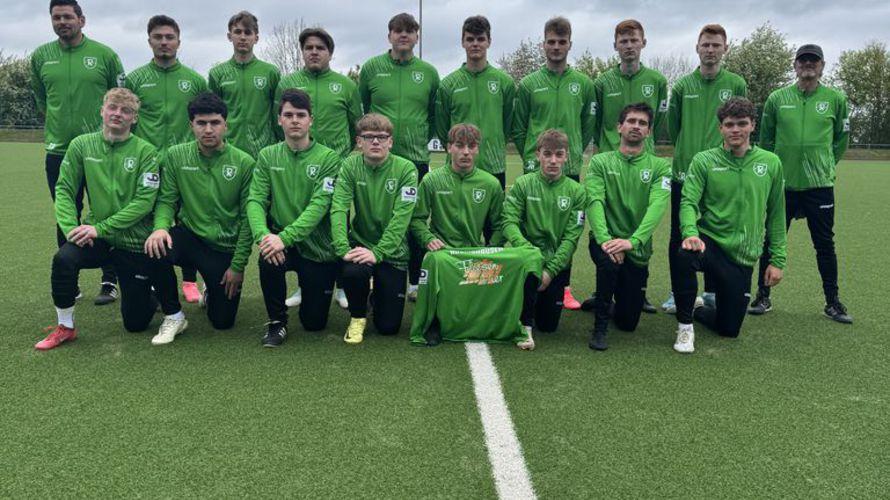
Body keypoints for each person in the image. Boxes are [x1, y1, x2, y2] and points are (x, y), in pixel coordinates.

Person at [35, 88, 181, 350]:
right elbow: (65, 189)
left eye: (126, 110)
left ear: (134, 118)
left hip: (132, 241)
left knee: (135, 324)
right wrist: (71, 229)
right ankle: (65, 326)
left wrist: (99, 228)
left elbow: (144, 202)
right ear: (102, 110)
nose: (118, 114)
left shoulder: (146, 152)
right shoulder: (81, 145)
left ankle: (147, 293)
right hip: (97, 238)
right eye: (113, 107)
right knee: (64, 259)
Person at [672, 97, 787, 354]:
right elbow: (688, 201)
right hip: (710, 242)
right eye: (729, 124)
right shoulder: (704, 160)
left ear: (753, 125)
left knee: (729, 329)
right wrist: (690, 232)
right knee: (684, 254)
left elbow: (777, 214)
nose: (735, 130)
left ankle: (697, 309)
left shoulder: (771, 163)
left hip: (742, 255)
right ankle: (685, 327)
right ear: (720, 128)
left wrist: (777, 260)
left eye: (742, 124)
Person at [31, 0, 124, 305]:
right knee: (66, 213)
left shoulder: (105, 55)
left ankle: (109, 281)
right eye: (56, 17)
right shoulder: (41, 56)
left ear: (82, 20)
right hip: (59, 150)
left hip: (100, 149)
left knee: (107, 211)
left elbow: (120, 98)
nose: (62, 22)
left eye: (68, 16)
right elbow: (42, 100)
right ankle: (70, 282)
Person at [752, 44, 852, 323]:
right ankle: (762, 296)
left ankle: (832, 302)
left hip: (819, 186)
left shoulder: (835, 99)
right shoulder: (777, 98)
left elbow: (841, 139)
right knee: (771, 241)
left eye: (813, 60)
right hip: (782, 185)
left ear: (822, 65)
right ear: (795, 65)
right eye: (803, 60)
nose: (808, 64)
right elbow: (766, 139)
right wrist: (772, 171)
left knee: (824, 245)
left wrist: (826, 164)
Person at [144, 93, 255, 344]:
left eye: (215, 123)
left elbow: (248, 219)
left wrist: (237, 265)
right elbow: (166, 200)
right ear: (191, 125)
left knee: (223, 322)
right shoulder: (176, 156)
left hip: (223, 247)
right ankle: (174, 315)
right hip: (189, 238)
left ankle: (211, 291)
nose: (208, 129)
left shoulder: (244, 162)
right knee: (155, 247)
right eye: (201, 123)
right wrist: (160, 228)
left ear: (226, 125)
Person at [660, 24, 747, 314]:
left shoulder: (736, 84)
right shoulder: (683, 86)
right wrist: (688, 151)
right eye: (706, 45)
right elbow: (674, 127)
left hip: (721, 173)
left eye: (716, 45)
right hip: (684, 173)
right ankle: (677, 293)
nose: (710, 50)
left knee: (715, 232)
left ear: (725, 48)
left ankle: (711, 292)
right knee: (678, 235)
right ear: (697, 48)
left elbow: (739, 125)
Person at [246, 89, 343, 348]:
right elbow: (255, 200)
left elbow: (319, 205)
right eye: (288, 115)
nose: (295, 120)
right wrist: (264, 236)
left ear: (311, 120)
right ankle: (277, 322)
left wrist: (284, 238)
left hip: (317, 247)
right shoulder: (267, 155)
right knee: (268, 257)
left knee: (314, 324)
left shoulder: (329, 158)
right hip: (281, 242)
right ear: (279, 120)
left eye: (301, 115)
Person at [275, 26, 362, 310]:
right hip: (300, 165)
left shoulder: (346, 85)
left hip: (336, 168)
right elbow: (278, 123)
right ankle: (305, 284)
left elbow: (356, 125)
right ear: (302, 52)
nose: (314, 52)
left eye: (320, 48)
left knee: (338, 224)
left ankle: (341, 286)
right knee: (304, 221)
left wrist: (342, 158)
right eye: (309, 47)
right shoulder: (288, 83)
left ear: (330, 53)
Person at [512, 16, 594, 310]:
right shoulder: (529, 84)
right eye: (551, 42)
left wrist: (573, 153)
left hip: (568, 170)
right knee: (529, 226)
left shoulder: (584, 84)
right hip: (535, 169)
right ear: (543, 45)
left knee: (565, 231)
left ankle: (564, 287)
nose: (556, 47)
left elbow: (587, 126)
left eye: (562, 42)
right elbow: (519, 126)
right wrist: (531, 156)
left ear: (570, 44)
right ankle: (527, 279)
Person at [126, 15, 208, 303]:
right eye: (158, 37)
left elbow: (204, 120)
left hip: (185, 164)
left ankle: (189, 280)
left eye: (169, 37)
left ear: (178, 42)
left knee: (188, 222)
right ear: (149, 41)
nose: (164, 42)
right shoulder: (135, 79)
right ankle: (152, 280)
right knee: (149, 221)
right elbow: (128, 121)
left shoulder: (195, 80)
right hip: (147, 164)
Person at [358, 12, 439, 302]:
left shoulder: (429, 72)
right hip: (380, 161)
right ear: (389, 35)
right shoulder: (371, 68)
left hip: (415, 159)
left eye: (409, 30)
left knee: (414, 220)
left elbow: (434, 114)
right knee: (378, 218)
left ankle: (415, 280)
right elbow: (365, 108)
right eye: (397, 30)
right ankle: (374, 275)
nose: (403, 35)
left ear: (417, 36)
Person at [590, 19, 668, 314]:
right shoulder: (602, 83)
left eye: (634, 40)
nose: (629, 46)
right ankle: (603, 291)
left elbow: (661, 119)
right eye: (623, 41)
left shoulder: (657, 80)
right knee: (606, 219)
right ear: (615, 46)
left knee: (640, 216)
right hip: (610, 163)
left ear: (643, 43)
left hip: (643, 164)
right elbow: (596, 122)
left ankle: (639, 291)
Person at [585, 103, 671, 351]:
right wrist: (605, 240)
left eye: (642, 123)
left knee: (628, 323)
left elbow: (657, 207)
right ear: (619, 127)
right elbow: (595, 202)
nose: (636, 126)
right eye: (631, 121)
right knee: (609, 263)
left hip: (637, 248)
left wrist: (632, 242)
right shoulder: (600, 162)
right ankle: (600, 326)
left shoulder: (661, 167)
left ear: (649, 132)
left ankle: (605, 302)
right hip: (605, 242)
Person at [331, 113, 418, 345]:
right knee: (353, 272)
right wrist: (342, 248)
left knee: (388, 327)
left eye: (382, 137)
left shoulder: (406, 169)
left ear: (391, 142)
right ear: (359, 142)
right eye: (369, 137)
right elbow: (339, 207)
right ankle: (358, 316)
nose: (376, 141)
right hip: (361, 244)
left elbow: (402, 218)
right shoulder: (350, 165)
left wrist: (378, 252)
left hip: (393, 252)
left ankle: (374, 296)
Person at [502, 129, 587, 350]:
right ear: (537, 154)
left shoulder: (577, 192)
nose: (553, 160)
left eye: (559, 154)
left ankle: (533, 308)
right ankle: (524, 326)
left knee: (549, 326)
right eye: (547, 154)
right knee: (524, 311)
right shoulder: (523, 184)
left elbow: (571, 238)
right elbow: (509, 222)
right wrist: (529, 253)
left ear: (566, 156)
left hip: (554, 267)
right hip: (527, 261)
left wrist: (550, 271)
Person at [435, 16, 515, 189]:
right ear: (463, 42)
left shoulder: (505, 82)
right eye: (470, 39)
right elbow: (442, 128)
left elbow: (508, 124)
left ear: (489, 42)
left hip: (493, 166)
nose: (475, 44)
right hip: (458, 169)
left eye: (480, 39)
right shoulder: (448, 84)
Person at [410, 123, 504, 252]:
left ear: (477, 149)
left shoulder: (491, 183)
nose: (466, 152)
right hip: (441, 253)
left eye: (471, 146)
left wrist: (491, 248)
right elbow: (416, 218)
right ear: (449, 148)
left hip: (473, 254)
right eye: (459, 146)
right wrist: (428, 239)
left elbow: (500, 224)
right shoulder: (431, 180)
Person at [208, 11, 280, 158]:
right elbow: (212, 114)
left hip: (264, 153)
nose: (242, 37)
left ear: (256, 38)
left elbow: (278, 114)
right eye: (237, 32)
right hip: (228, 152)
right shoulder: (217, 74)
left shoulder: (271, 72)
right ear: (229, 36)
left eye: (248, 32)